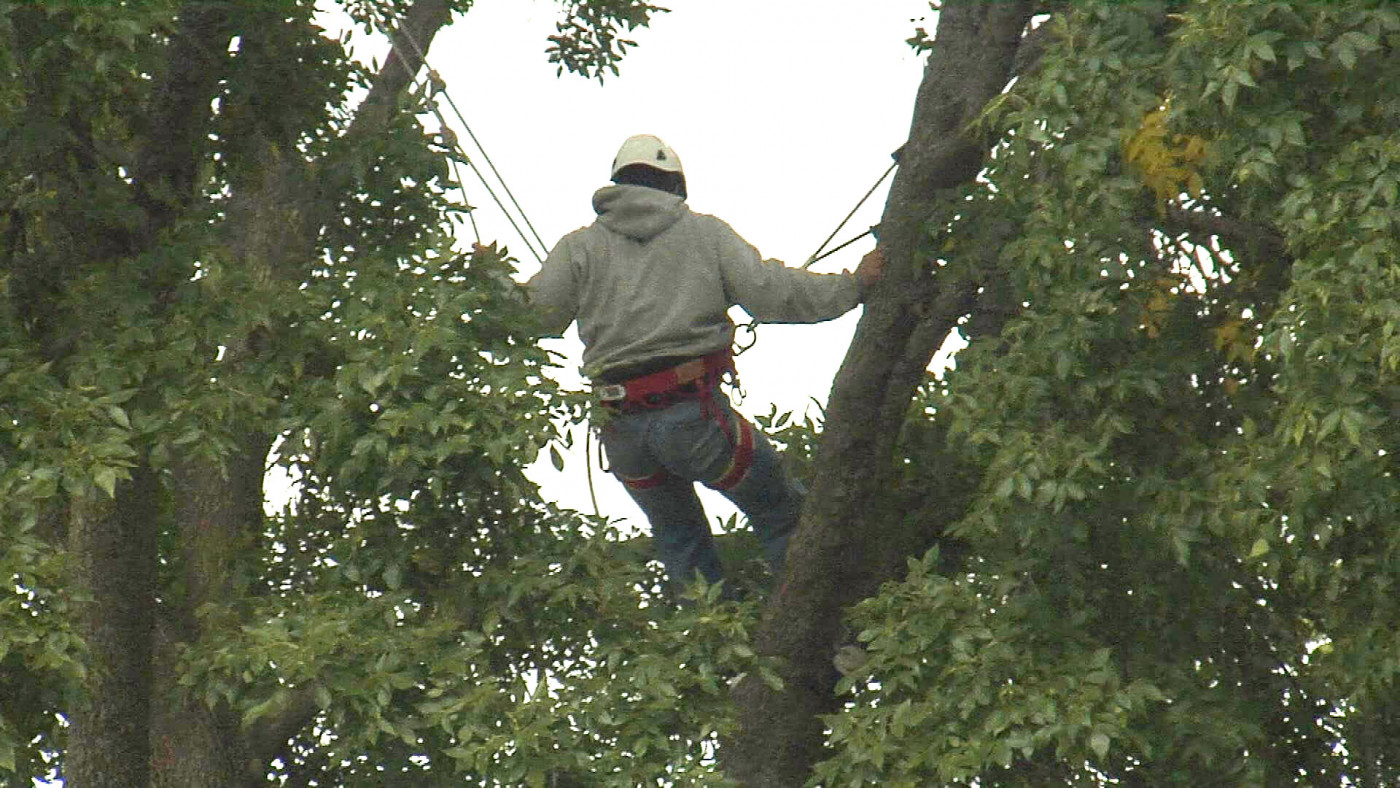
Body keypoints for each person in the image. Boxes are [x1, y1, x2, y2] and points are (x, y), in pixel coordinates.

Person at [527, 133, 884, 594]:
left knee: (680, 542)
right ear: (676, 186)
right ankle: (820, 630)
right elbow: (772, 293)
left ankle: (715, 658)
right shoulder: (703, 233)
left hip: (622, 431)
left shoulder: (578, 248)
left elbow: (531, 316)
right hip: (692, 420)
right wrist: (852, 286)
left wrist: (488, 280)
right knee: (780, 511)